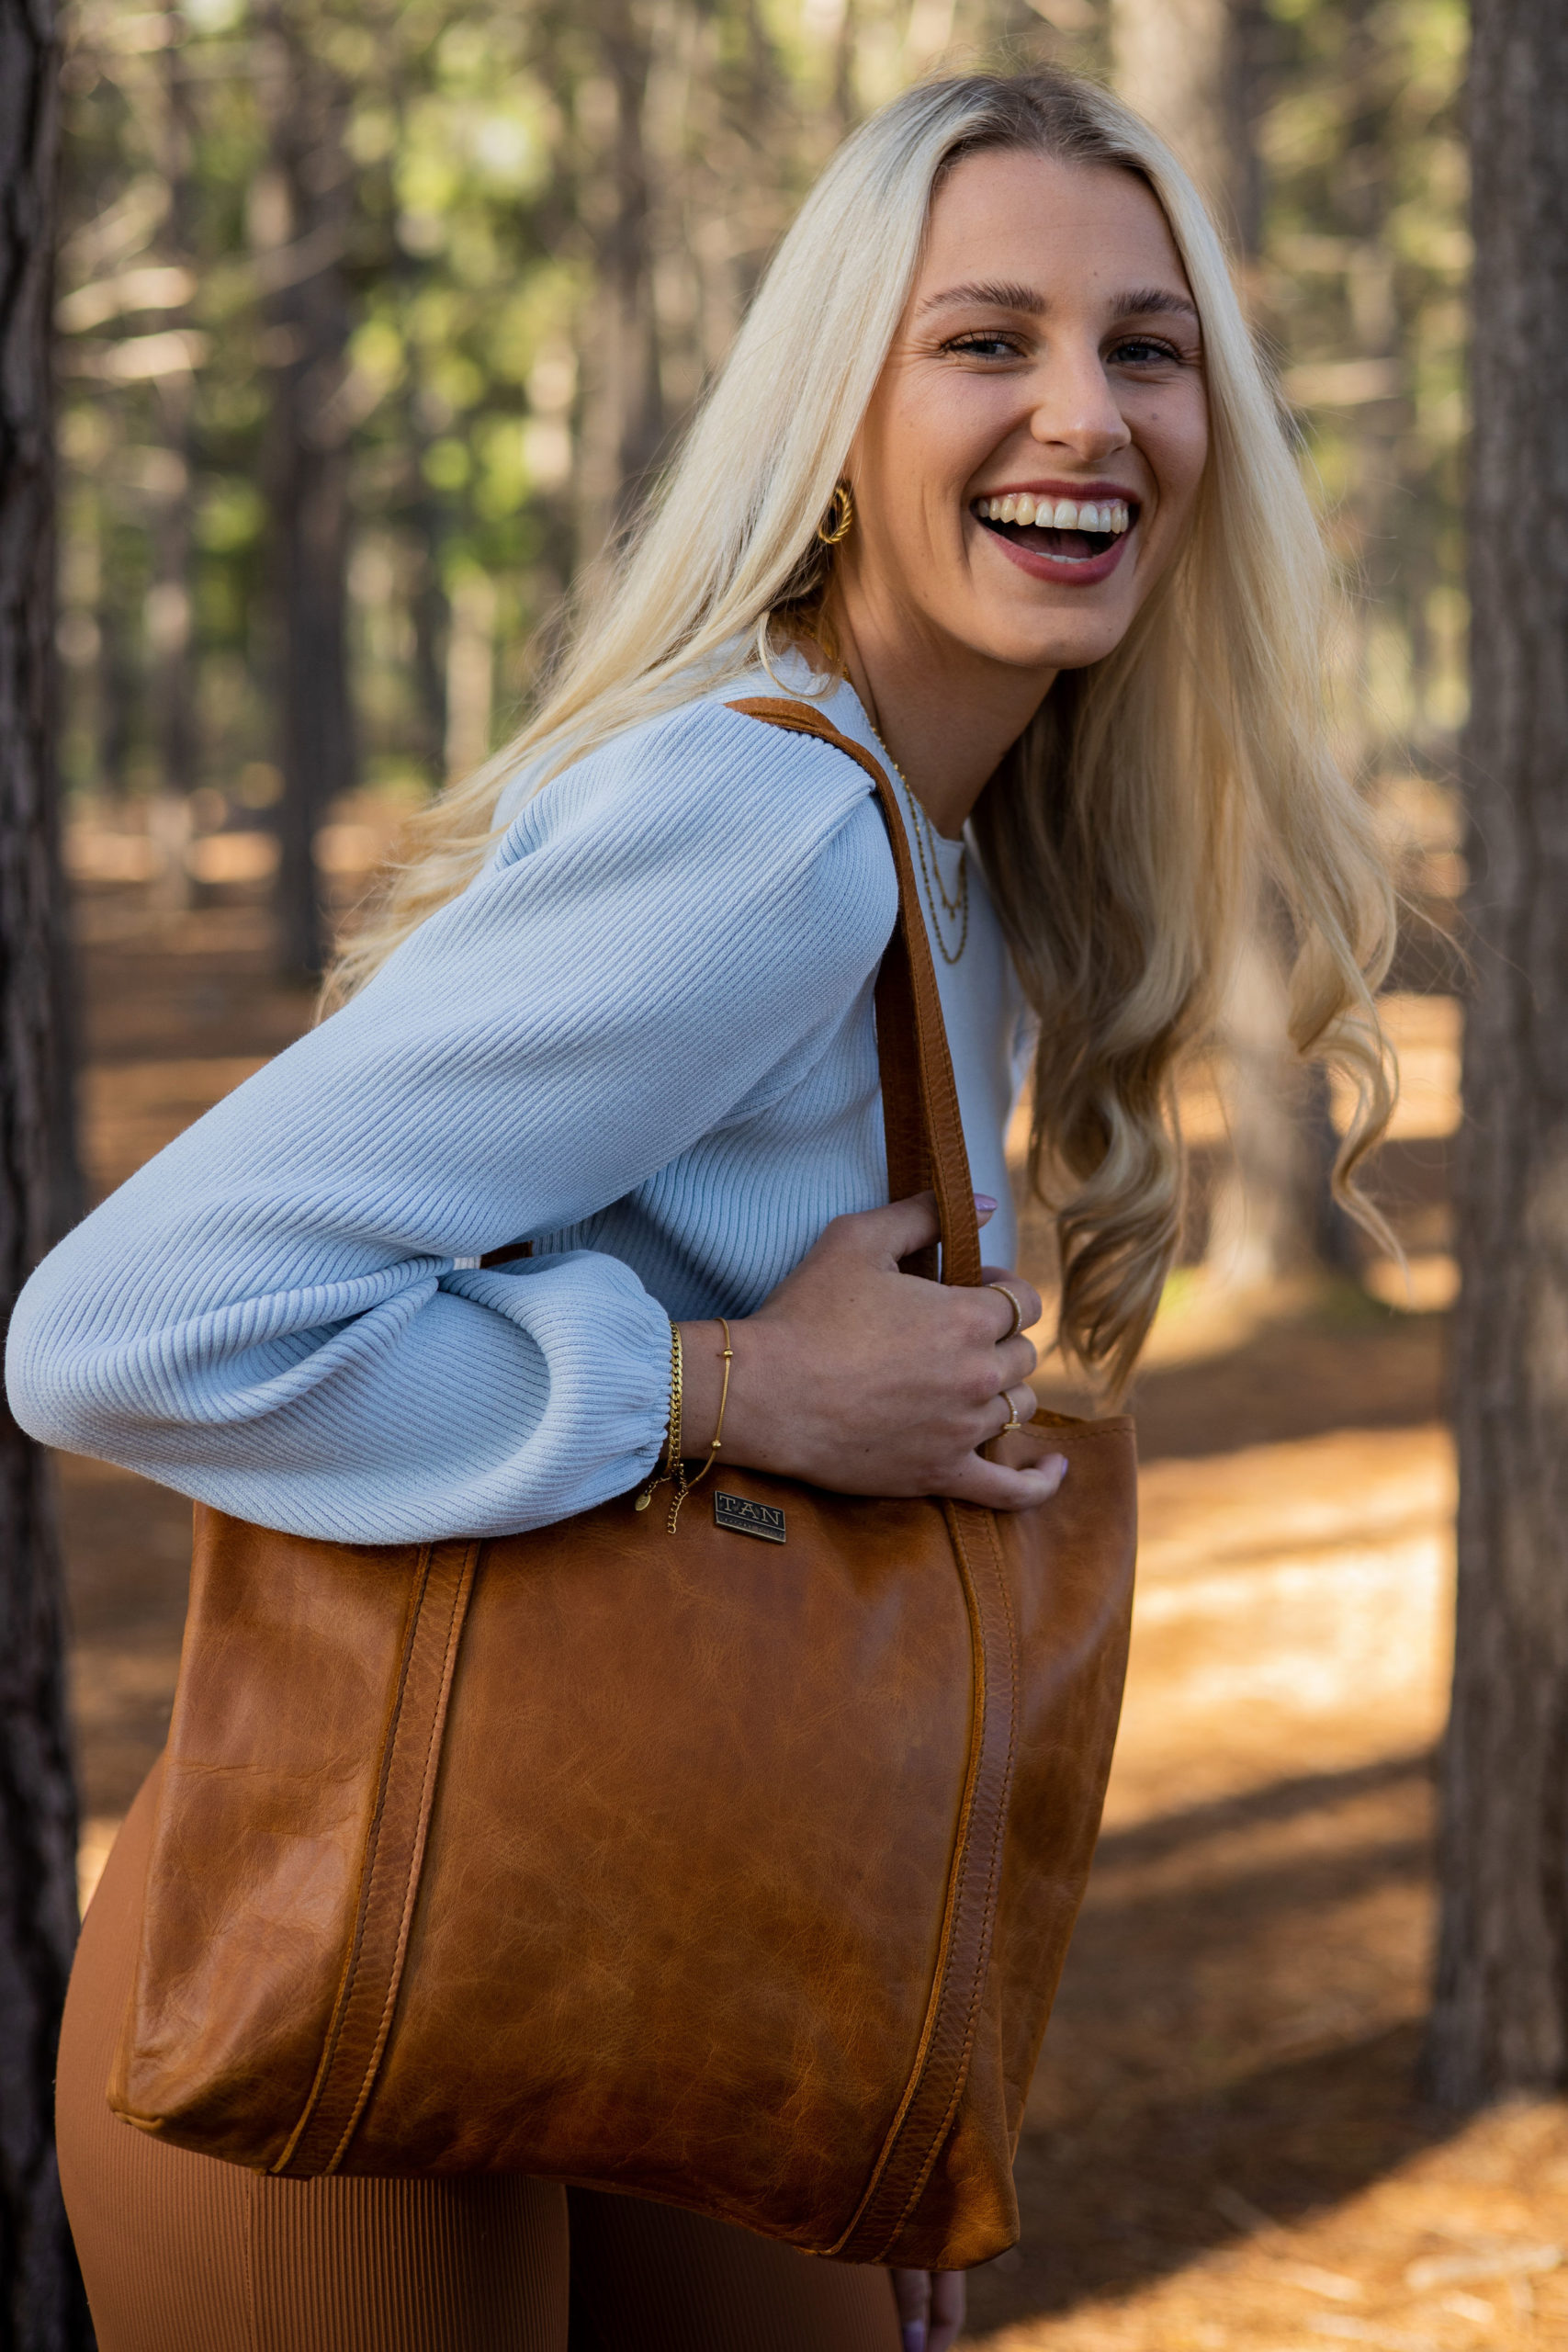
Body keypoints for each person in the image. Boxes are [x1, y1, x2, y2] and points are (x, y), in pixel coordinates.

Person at [7, 64, 1395, 2352]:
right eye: (984, 340)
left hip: (664, 1925)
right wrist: (731, 1380)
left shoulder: (951, 847)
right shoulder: (763, 826)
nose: (1085, 411)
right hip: (355, 1983)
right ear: (834, 416)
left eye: (1146, 346)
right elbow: (122, 1325)